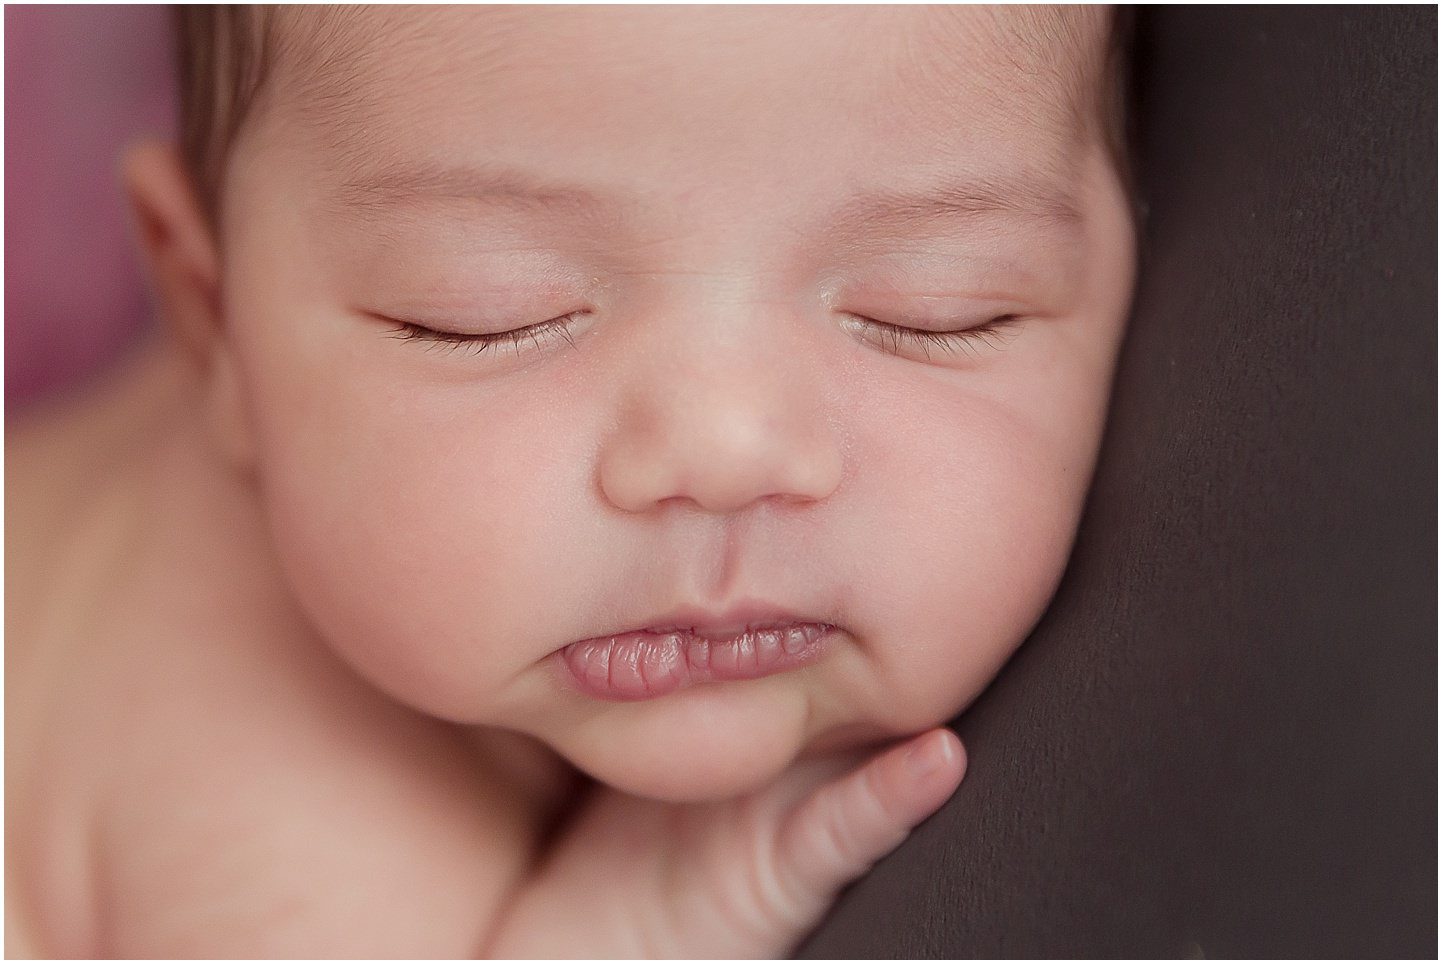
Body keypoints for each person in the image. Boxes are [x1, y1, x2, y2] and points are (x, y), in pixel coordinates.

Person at [5, 5, 1136, 957]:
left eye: (933, 306)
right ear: (212, 322)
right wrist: (624, 928)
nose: (724, 452)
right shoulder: (287, 820)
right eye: (489, 311)